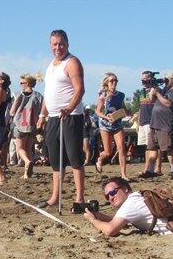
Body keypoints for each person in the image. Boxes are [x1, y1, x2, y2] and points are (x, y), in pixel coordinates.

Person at [36, 29, 85, 211]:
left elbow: (79, 90)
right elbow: (48, 95)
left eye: (61, 44)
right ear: (50, 45)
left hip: (70, 117)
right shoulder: (50, 66)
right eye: (55, 44)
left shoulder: (72, 62)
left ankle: (79, 198)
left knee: (74, 158)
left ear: (67, 44)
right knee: (55, 160)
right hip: (53, 118)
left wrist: (69, 108)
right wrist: (42, 115)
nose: (58, 47)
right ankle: (55, 196)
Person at [84, 176, 173, 236]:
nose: (111, 197)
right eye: (107, 196)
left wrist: (93, 220)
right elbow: (116, 219)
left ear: (125, 189)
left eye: (113, 192)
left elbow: (110, 230)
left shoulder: (130, 204)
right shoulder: (136, 197)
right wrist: (97, 215)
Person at [143, 73, 173, 179]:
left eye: (167, 80)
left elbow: (168, 104)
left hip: (166, 123)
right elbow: (151, 99)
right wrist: (153, 90)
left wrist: (158, 94)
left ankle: (172, 170)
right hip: (155, 122)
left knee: (168, 148)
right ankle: (150, 170)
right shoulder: (164, 90)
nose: (165, 82)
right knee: (152, 147)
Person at [94, 72, 130, 180]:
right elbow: (97, 111)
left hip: (117, 123)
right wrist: (106, 117)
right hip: (105, 125)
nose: (114, 83)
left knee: (121, 148)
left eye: (116, 81)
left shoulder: (121, 95)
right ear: (107, 83)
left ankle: (123, 175)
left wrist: (125, 112)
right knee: (108, 152)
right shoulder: (103, 96)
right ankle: (99, 159)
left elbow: (123, 108)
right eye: (112, 81)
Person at [10, 73, 43, 179]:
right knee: (28, 149)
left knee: (19, 148)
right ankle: (27, 173)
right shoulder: (38, 96)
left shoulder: (18, 94)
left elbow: (12, 111)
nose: (20, 85)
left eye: (21, 83)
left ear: (27, 83)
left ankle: (27, 161)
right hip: (32, 125)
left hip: (19, 124)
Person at [136, 71, 159, 177]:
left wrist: (153, 89)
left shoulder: (155, 90)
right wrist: (138, 123)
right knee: (146, 147)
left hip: (151, 122)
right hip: (143, 122)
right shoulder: (141, 92)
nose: (143, 81)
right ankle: (146, 168)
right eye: (142, 79)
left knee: (153, 146)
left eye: (145, 79)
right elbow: (140, 108)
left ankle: (155, 168)